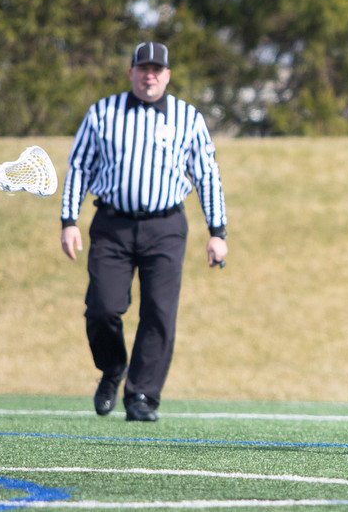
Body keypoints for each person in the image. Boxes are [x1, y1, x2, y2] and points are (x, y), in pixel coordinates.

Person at [60, 41, 228, 422]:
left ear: (167, 75)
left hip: (165, 226)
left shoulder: (188, 117)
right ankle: (112, 368)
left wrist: (218, 232)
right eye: (143, 68)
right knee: (102, 308)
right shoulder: (102, 113)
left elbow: (207, 175)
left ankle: (141, 396)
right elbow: (79, 168)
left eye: (157, 69)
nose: (150, 74)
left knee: (159, 313)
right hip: (113, 223)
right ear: (131, 72)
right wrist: (69, 221)